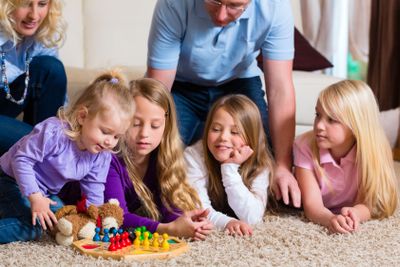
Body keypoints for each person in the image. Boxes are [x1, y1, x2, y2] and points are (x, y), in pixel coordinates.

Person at [147, 0, 300, 207]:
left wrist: (282, 165)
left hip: (238, 82)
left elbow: (280, 90)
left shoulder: (275, 7)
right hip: (181, 85)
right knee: (158, 165)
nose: (220, 16)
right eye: (214, 1)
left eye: (234, 6)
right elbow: (159, 90)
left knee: (265, 159)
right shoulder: (173, 4)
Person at [0, 71, 135, 243]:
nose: (110, 142)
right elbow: (21, 160)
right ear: (82, 116)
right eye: (106, 132)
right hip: (11, 180)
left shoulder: (101, 154)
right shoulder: (54, 133)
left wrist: (95, 222)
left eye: (117, 136)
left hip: (45, 193)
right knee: (34, 227)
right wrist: (35, 198)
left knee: (66, 220)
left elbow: (94, 190)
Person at [104, 78, 213, 240]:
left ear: (166, 127)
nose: (144, 134)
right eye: (135, 123)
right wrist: (168, 229)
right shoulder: (108, 159)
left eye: (155, 126)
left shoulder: (162, 157)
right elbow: (117, 218)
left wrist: (185, 222)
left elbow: (169, 208)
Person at [293, 80, 398, 234]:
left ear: (356, 125)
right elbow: (312, 206)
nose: (319, 125)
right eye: (318, 115)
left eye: (332, 120)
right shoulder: (303, 146)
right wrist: (330, 219)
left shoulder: (373, 151)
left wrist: (356, 213)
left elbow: (368, 203)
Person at [184, 95, 274, 236]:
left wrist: (229, 169)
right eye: (216, 129)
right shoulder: (193, 156)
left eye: (234, 132)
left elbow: (253, 218)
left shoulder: (261, 163)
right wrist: (227, 222)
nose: (223, 137)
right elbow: (198, 209)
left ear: (251, 137)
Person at [0, 0, 67, 156]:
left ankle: (42, 153)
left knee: (51, 68)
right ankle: (47, 149)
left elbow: (57, 97)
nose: (34, 15)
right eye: (25, 4)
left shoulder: (44, 36)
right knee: (49, 145)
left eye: (42, 4)